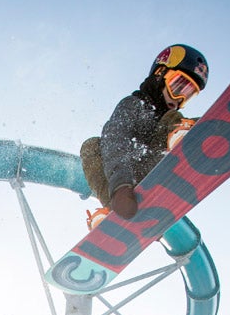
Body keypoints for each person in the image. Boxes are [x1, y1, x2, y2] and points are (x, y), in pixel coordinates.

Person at [80, 44, 208, 227]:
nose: (179, 99)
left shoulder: (171, 116)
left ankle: (183, 139)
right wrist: (120, 186)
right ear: (160, 74)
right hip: (129, 184)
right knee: (91, 146)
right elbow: (116, 137)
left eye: (188, 95)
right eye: (178, 86)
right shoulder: (134, 105)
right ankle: (112, 209)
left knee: (173, 118)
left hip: (161, 163)